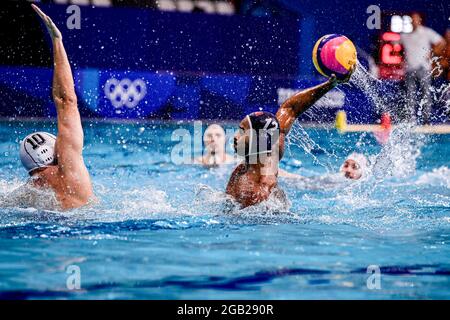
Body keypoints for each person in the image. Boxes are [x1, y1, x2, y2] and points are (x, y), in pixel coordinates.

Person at [226, 71, 354, 209]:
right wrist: (330, 85)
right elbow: (291, 108)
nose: (235, 136)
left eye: (242, 131)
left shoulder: (257, 190)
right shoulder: (270, 147)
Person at [18, 5, 94, 211]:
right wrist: (57, 40)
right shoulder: (70, 171)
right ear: (55, 150)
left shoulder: (26, 192)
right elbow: (66, 100)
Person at [400, 12, 445, 124]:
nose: (414, 21)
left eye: (416, 19)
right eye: (412, 19)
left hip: (424, 68)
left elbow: (441, 42)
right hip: (410, 69)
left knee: (426, 94)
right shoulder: (404, 35)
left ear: (419, 20)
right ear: (410, 21)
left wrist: (432, 53)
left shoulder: (426, 32)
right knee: (410, 95)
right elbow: (395, 47)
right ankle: (411, 120)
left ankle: (426, 120)